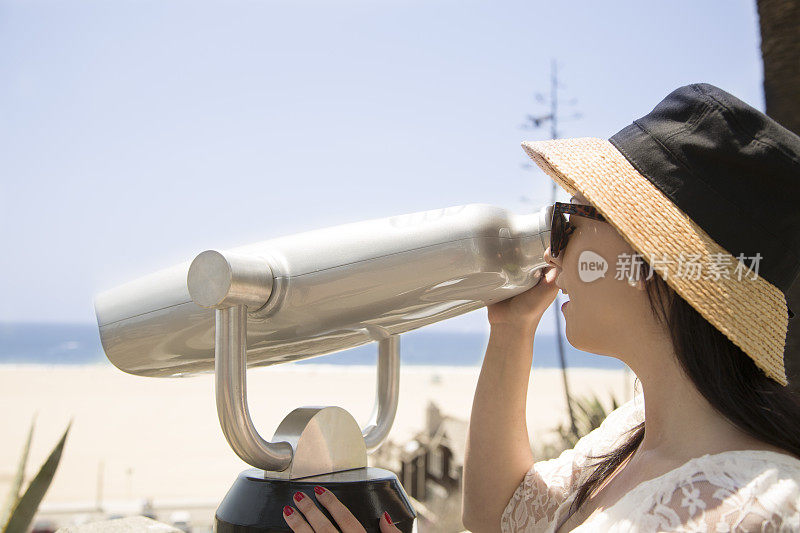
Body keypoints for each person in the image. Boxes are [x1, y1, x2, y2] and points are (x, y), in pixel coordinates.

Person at [462, 83, 800, 532]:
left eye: (567, 223)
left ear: (645, 260)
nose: (552, 254)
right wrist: (511, 329)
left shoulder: (764, 509)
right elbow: (496, 514)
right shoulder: (635, 431)